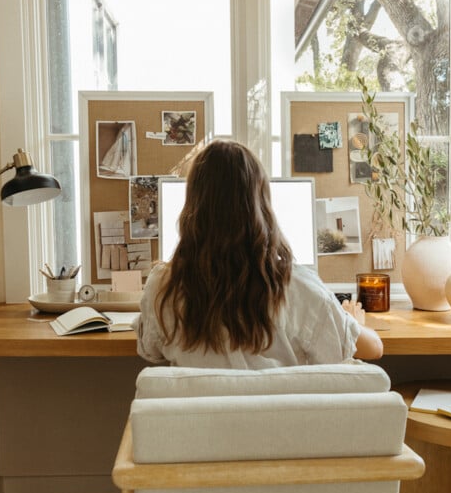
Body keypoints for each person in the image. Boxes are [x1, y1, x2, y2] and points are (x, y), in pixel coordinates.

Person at [134, 139, 383, 368]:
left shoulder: (163, 288)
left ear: (193, 207)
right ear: (260, 205)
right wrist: (353, 323)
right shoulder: (297, 287)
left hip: (200, 418)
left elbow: (151, 349)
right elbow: (373, 348)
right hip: (278, 419)